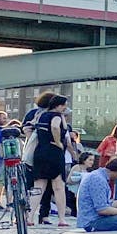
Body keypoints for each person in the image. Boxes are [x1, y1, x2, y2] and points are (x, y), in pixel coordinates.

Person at [32, 95, 72, 226]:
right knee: (58, 186)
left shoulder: (42, 115)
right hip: (54, 152)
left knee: (39, 186)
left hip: (40, 151)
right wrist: (58, 142)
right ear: (58, 105)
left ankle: (29, 216)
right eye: (64, 105)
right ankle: (61, 219)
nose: (65, 107)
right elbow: (55, 127)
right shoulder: (57, 116)